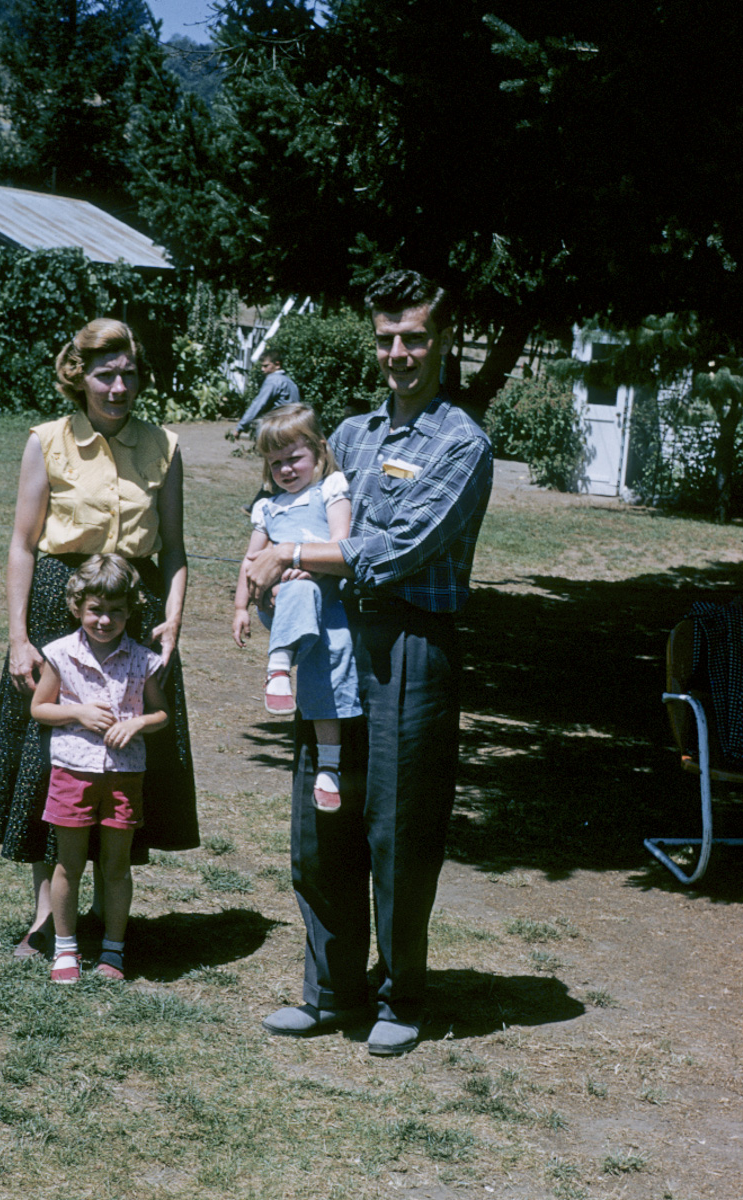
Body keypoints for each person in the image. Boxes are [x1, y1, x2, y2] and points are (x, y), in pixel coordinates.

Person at [245, 269, 493, 1056]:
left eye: (414, 337)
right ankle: (330, 992)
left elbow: (397, 548)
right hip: (335, 640)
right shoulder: (348, 436)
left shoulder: (461, 443)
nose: (399, 353)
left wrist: (293, 555)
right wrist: (268, 563)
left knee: (397, 827)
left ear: (442, 340)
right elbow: (298, 511)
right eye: (386, 339)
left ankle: (400, 996)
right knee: (321, 816)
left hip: (412, 646)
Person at [0, 318, 198, 958]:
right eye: (105, 375)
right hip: (58, 606)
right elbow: (22, 543)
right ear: (80, 376)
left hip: (135, 612)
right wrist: (19, 637)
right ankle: (48, 914)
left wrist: (173, 620)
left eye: (129, 374)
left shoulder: (165, 446)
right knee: (52, 757)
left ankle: (108, 909)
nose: (118, 387)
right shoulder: (47, 441)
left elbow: (176, 549)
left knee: (124, 753)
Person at [32, 555, 168, 984]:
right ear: (77, 607)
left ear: (131, 610)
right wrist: (78, 713)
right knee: (68, 863)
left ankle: (113, 948)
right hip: (72, 771)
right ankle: (65, 949)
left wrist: (138, 723)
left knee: (116, 866)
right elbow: (39, 708)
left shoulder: (143, 660)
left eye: (116, 611)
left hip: (124, 774)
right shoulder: (60, 654)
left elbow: (162, 713)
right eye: (95, 609)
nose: (105, 620)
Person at [231, 405, 362, 811]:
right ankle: (277, 667)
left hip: (329, 604)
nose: (285, 470)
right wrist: (240, 607)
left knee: (332, 669)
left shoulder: (330, 490)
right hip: (282, 600)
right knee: (300, 590)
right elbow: (251, 561)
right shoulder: (268, 508)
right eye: (275, 464)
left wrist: (306, 561)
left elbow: (341, 543)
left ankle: (329, 769)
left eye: (293, 458)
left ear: (319, 451)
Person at [233, 352, 301, 438]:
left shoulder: (273, 380)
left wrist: (241, 427)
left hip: (276, 427)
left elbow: (258, 404)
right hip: (291, 426)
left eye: (266, 366)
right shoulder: (289, 382)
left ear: (277, 365)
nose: (262, 369)